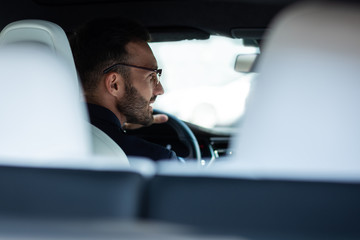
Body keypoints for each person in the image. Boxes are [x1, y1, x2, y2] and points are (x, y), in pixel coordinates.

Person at [70, 18, 179, 161]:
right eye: (151, 76)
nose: (160, 90)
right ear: (114, 84)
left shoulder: (51, 135)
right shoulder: (156, 160)